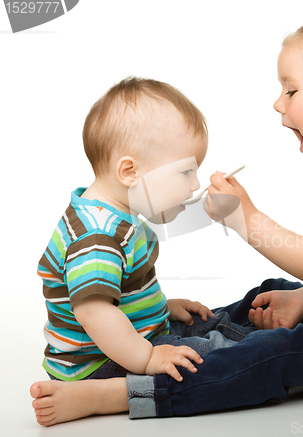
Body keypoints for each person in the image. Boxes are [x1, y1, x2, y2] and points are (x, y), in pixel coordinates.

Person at [31, 16, 303, 425]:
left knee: (277, 356)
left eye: (291, 90)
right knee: (275, 294)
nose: (277, 102)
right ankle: (249, 334)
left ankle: (128, 393)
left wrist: (246, 219)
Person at [34, 76, 275, 385]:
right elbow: (94, 313)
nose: (195, 185)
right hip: (98, 364)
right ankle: (288, 342)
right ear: (130, 172)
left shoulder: (116, 215)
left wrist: (160, 309)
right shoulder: (97, 238)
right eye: (186, 172)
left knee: (215, 321)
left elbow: (118, 291)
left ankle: (281, 328)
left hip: (128, 342)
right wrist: (147, 358)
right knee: (210, 355)